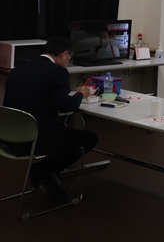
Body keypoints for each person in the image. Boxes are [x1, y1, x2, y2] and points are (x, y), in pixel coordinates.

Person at [3, 36, 98, 202]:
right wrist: (81, 94)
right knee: (88, 138)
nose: (68, 62)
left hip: (11, 138)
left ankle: (44, 171)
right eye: (69, 59)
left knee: (63, 134)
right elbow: (65, 106)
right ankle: (46, 170)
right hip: (38, 140)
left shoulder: (18, 69)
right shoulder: (58, 72)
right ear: (64, 54)